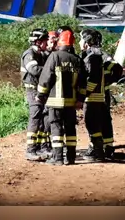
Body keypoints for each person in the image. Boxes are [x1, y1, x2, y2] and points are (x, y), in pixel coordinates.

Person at [36, 29, 86, 166]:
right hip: (71, 103)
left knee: (56, 128)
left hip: (55, 102)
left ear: (60, 42)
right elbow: (83, 82)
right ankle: (71, 158)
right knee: (70, 129)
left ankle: (57, 159)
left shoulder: (55, 57)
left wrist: (41, 94)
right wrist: (80, 99)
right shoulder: (78, 60)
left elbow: (46, 77)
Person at [21, 28, 53, 162]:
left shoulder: (42, 54)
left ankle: (41, 146)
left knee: (43, 119)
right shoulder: (29, 54)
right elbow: (34, 69)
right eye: (45, 41)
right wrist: (49, 71)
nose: (47, 43)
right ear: (38, 42)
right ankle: (31, 150)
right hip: (33, 91)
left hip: (41, 90)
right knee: (35, 119)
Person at [79, 29, 108, 162]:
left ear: (87, 42)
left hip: (92, 98)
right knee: (93, 125)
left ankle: (98, 153)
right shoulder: (93, 55)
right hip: (97, 96)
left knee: (92, 125)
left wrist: (84, 93)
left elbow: (93, 78)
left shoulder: (92, 57)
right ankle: (97, 151)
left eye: (81, 39)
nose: (79, 42)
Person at [101, 50, 124, 160]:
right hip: (99, 93)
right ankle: (106, 147)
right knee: (103, 120)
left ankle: (106, 147)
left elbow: (117, 68)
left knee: (100, 120)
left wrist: (109, 80)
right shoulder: (89, 53)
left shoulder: (99, 54)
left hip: (100, 94)